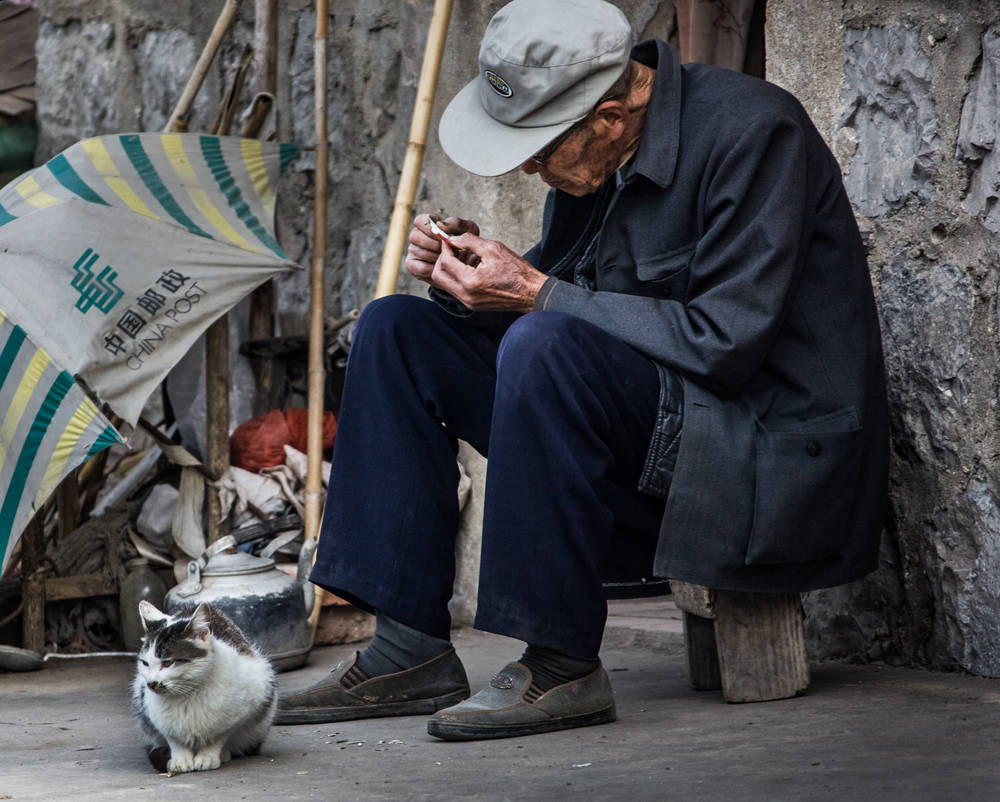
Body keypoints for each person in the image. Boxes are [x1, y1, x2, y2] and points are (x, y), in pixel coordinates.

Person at [277, 0, 888, 741]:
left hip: (761, 476)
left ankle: (561, 665)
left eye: (539, 150)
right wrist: (471, 284)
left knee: (546, 342)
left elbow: (722, 345)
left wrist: (535, 294)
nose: (531, 167)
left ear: (608, 117)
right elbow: (572, 295)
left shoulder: (756, 133)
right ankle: (408, 649)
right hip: (657, 453)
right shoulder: (595, 165)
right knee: (397, 329)